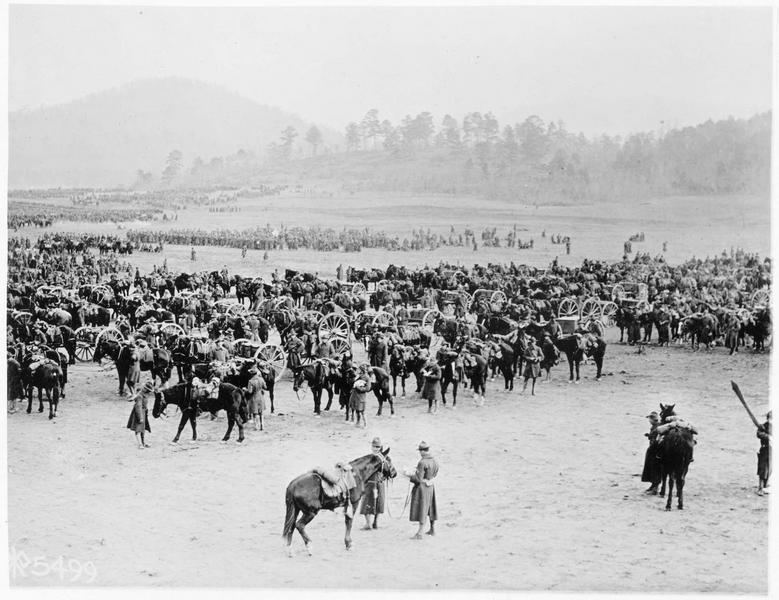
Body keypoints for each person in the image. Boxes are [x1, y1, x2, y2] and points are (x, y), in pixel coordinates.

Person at [405, 441, 439, 539]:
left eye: (420, 451)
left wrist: (408, 475)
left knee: (422, 509)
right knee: (431, 508)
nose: (420, 453)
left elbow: (418, 479)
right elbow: (435, 473)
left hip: (422, 488)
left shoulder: (422, 462)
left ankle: (419, 533)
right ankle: (432, 529)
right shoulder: (434, 460)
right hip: (431, 485)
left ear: (423, 451)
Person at [361, 437, 387, 530]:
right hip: (380, 483)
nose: (375, 448)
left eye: (376, 447)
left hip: (371, 483)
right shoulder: (385, 458)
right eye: (375, 446)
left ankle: (368, 524)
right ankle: (375, 522)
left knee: (367, 503)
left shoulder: (370, 458)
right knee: (379, 502)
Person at [127, 381, 154, 449]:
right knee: (138, 429)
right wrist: (140, 417)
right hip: (139, 413)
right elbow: (138, 407)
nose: (149, 392)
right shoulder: (140, 396)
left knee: (143, 429)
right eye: (148, 390)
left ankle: (143, 442)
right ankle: (140, 444)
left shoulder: (144, 395)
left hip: (144, 412)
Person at [641, 411, 662, 494]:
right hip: (653, 450)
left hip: (656, 451)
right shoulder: (655, 426)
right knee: (651, 468)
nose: (649, 421)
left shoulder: (658, 427)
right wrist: (649, 436)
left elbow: (657, 439)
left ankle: (655, 488)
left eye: (650, 419)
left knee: (655, 468)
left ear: (653, 419)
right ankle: (653, 485)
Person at [245, 366, 266, 431]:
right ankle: (262, 425)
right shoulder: (261, 379)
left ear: (251, 374)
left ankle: (256, 426)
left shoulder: (250, 381)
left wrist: (245, 389)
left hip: (254, 398)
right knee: (261, 412)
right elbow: (265, 387)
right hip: (261, 397)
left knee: (255, 413)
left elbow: (250, 391)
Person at [757, 411, 772, 496]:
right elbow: (759, 434)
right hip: (765, 449)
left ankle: (766, 485)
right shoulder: (763, 426)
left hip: (773, 450)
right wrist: (768, 437)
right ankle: (760, 487)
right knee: (762, 468)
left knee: (770, 469)